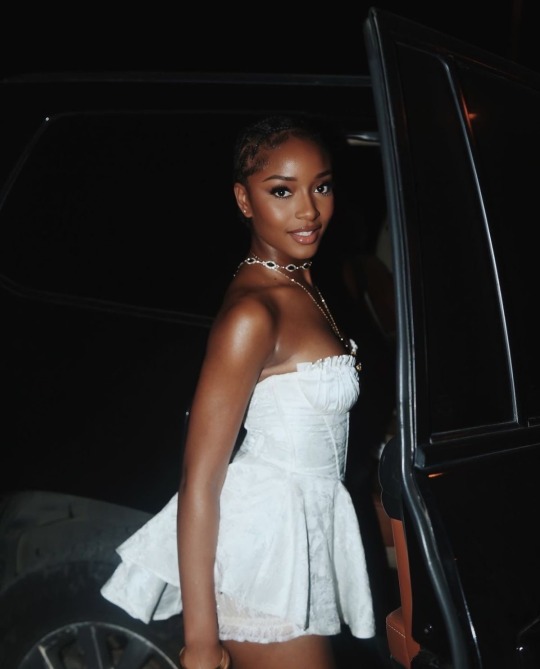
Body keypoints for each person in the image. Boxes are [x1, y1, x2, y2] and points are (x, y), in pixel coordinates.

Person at [101, 113, 375, 669]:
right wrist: (201, 641)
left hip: (303, 534)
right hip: (263, 555)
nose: (308, 211)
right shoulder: (254, 312)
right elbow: (199, 480)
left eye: (321, 187)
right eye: (282, 191)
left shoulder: (302, 280)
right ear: (244, 200)